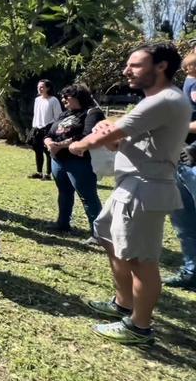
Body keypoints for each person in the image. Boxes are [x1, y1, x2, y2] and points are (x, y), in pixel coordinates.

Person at [69, 43, 189, 344]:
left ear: (161, 67)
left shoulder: (163, 100)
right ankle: (123, 301)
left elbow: (109, 136)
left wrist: (79, 145)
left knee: (141, 260)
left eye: (135, 65)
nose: (126, 71)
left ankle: (139, 326)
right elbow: (119, 140)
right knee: (107, 234)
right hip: (131, 185)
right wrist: (110, 135)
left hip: (144, 189)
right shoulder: (155, 102)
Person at [43, 84, 105, 242]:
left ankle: (99, 233)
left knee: (87, 197)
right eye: (62, 96)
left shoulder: (92, 113)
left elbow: (87, 135)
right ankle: (62, 224)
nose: (63, 99)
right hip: (58, 160)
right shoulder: (64, 114)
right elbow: (50, 132)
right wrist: (49, 142)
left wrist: (59, 145)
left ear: (78, 97)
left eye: (66, 96)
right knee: (64, 193)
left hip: (80, 162)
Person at [166, 51, 196, 290]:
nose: (188, 72)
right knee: (183, 221)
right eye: (187, 68)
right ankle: (190, 271)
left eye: (192, 67)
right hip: (181, 157)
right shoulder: (189, 83)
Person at [30, 79, 63, 180]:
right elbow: (36, 115)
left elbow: (58, 116)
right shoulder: (37, 100)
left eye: (42, 87)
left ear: (48, 88)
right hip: (37, 128)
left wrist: (53, 129)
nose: (39, 89)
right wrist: (34, 127)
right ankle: (39, 172)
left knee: (48, 151)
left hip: (48, 128)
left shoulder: (53, 100)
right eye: (38, 87)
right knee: (37, 151)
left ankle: (48, 174)